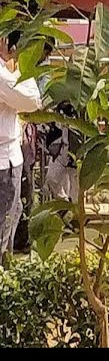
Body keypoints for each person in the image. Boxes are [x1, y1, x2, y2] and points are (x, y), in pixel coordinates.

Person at [0, 33, 42, 257]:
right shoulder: (3, 74)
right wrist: (16, 67)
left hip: (10, 157)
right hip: (3, 162)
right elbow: (32, 100)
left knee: (11, 219)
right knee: (4, 227)